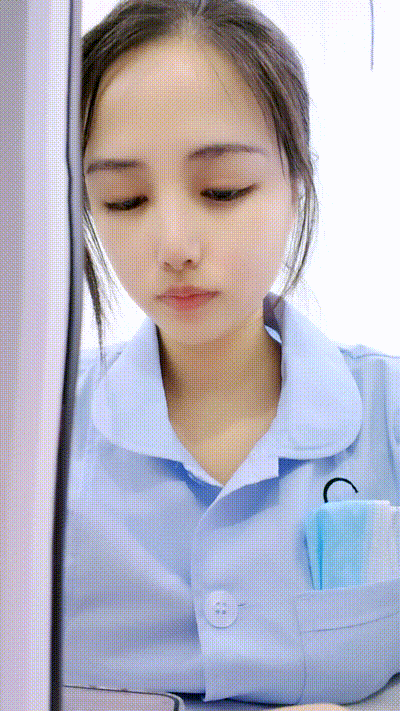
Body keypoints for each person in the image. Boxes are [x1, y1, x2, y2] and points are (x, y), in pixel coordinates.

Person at [62, 1, 400, 709]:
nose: (175, 245)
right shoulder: (37, 439)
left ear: (295, 183)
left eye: (223, 190)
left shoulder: (388, 411)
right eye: (124, 200)